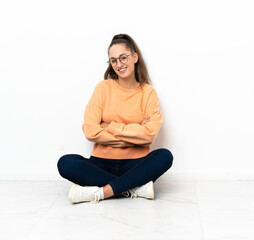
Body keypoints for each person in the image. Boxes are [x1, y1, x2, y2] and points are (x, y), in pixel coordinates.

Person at [57, 33, 173, 204]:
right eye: (113, 60)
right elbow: (90, 130)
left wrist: (109, 126)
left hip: (135, 163)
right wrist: (135, 135)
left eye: (123, 58)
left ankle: (102, 192)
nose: (119, 64)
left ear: (134, 57)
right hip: (101, 163)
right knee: (65, 163)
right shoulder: (103, 88)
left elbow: (148, 135)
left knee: (165, 156)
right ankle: (132, 187)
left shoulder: (148, 93)